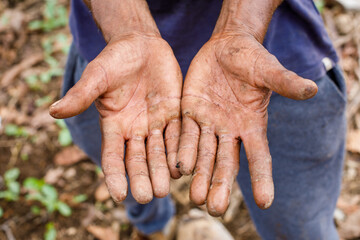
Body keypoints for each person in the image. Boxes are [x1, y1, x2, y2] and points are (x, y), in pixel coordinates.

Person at [49, 0, 347, 239]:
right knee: (132, 176)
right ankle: (157, 229)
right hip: (117, 66)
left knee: (301, 225)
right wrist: (128, 28)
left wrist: (240, 27)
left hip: (266, 52)